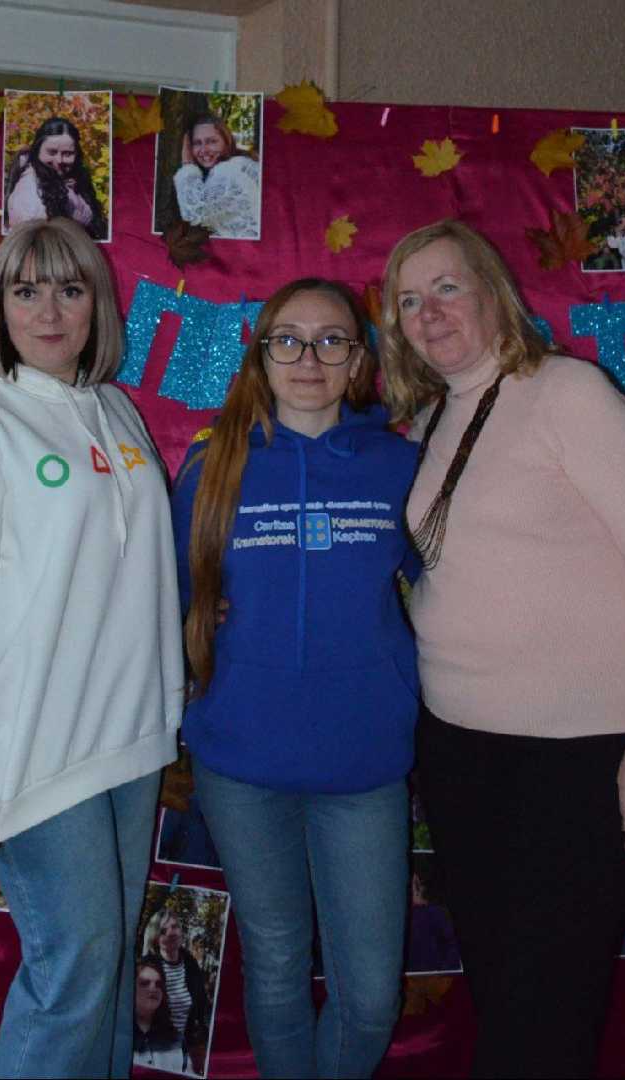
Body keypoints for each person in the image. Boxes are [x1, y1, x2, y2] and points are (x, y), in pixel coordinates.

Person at [380, 219, 625, 1079]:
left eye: (446, 287)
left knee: (540, 1012)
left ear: (493, 292)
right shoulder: (430, 422)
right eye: (407, 300)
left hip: (582, 760)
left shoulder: (566, 392)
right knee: (502, 993)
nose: (427, 312)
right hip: (460, 753)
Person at [0, 216, 184, 1079]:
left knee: (109, 969)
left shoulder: (115, 411)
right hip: (36, 750)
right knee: (75, 970)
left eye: (69, 289)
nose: (48, 311)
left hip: (130, 742)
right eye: (25, 290)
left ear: (96, 306)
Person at [171, 278, 420, 1078]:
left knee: (370, 995)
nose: (308, 358)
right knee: (276, 965)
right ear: (260, 355)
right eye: (287, 339)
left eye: (331, 340)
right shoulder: (209, 467)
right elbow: (169, 602)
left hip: (364, 762)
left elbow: (455, 593)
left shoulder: (402, 466)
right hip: (241, 761)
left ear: (359, 360)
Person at [5, 116, 107, 239]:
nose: (59, 160)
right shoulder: (32, 198)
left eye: (67, 154)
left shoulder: (73, 177)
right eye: (52, 152)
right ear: (37, 150)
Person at [173, 113, 260, 239]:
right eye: (197, 143)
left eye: (211, 141)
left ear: (226, 141)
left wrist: (187, 165)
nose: (204, 150)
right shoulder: (241, 163)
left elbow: (195, 213)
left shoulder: (228, 170)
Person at [143, 907, 210, 1055]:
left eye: (174, 926)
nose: (171, 933)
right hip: (154, 1050)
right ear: (155, 938)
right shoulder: (146, 968)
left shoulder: (191, 965)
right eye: (163, 931)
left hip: (187, 1049)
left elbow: (202, 1005)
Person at [133, 955, 194, 1075]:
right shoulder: (115, 1034)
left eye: (158, 984)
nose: (153, 988)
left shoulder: (177, 1040)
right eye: (144, 983)